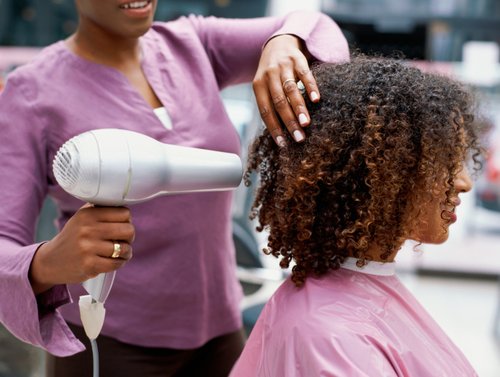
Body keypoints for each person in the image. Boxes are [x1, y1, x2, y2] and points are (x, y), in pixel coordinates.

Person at [0, 1, 349, 376]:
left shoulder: (192, 43)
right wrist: (50, 261)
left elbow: (319, 27)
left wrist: (284, 42)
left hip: (220, 333)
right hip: (111, 343)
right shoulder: (31, 93)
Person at [230, 56, 484, 376]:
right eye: (445, 162)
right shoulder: (335, 340)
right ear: (381, 174)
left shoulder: (353, 297)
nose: (464, 182)